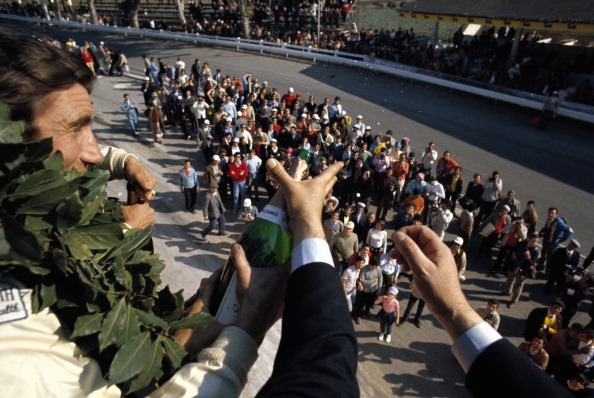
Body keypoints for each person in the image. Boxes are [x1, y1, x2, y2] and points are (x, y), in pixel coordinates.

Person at [502, 233, 540, 307]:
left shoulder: (535, 251)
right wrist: (513, 254)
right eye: (533, 241)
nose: (534, 243)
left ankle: (513, 300)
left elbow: (532, 263)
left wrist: (528, 257)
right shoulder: (522, 244)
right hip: (515, 265)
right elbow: (514, 248)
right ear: (529, 239)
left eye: (536, 242)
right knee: (510, 279)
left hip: (523, 269)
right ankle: (507, 291)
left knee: (518, 285)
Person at [352, 257, 383, 324]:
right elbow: (362, 280)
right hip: (365, 290)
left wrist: (379, 288)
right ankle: (358, 316)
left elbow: (380, 278)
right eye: (375, 266)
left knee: (370, 302)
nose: (376, 267)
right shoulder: (363, 269)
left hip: (374, 289)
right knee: (362, 303)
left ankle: (367, 311)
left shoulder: (378, 268)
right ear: (371, 265)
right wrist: (372, 281)